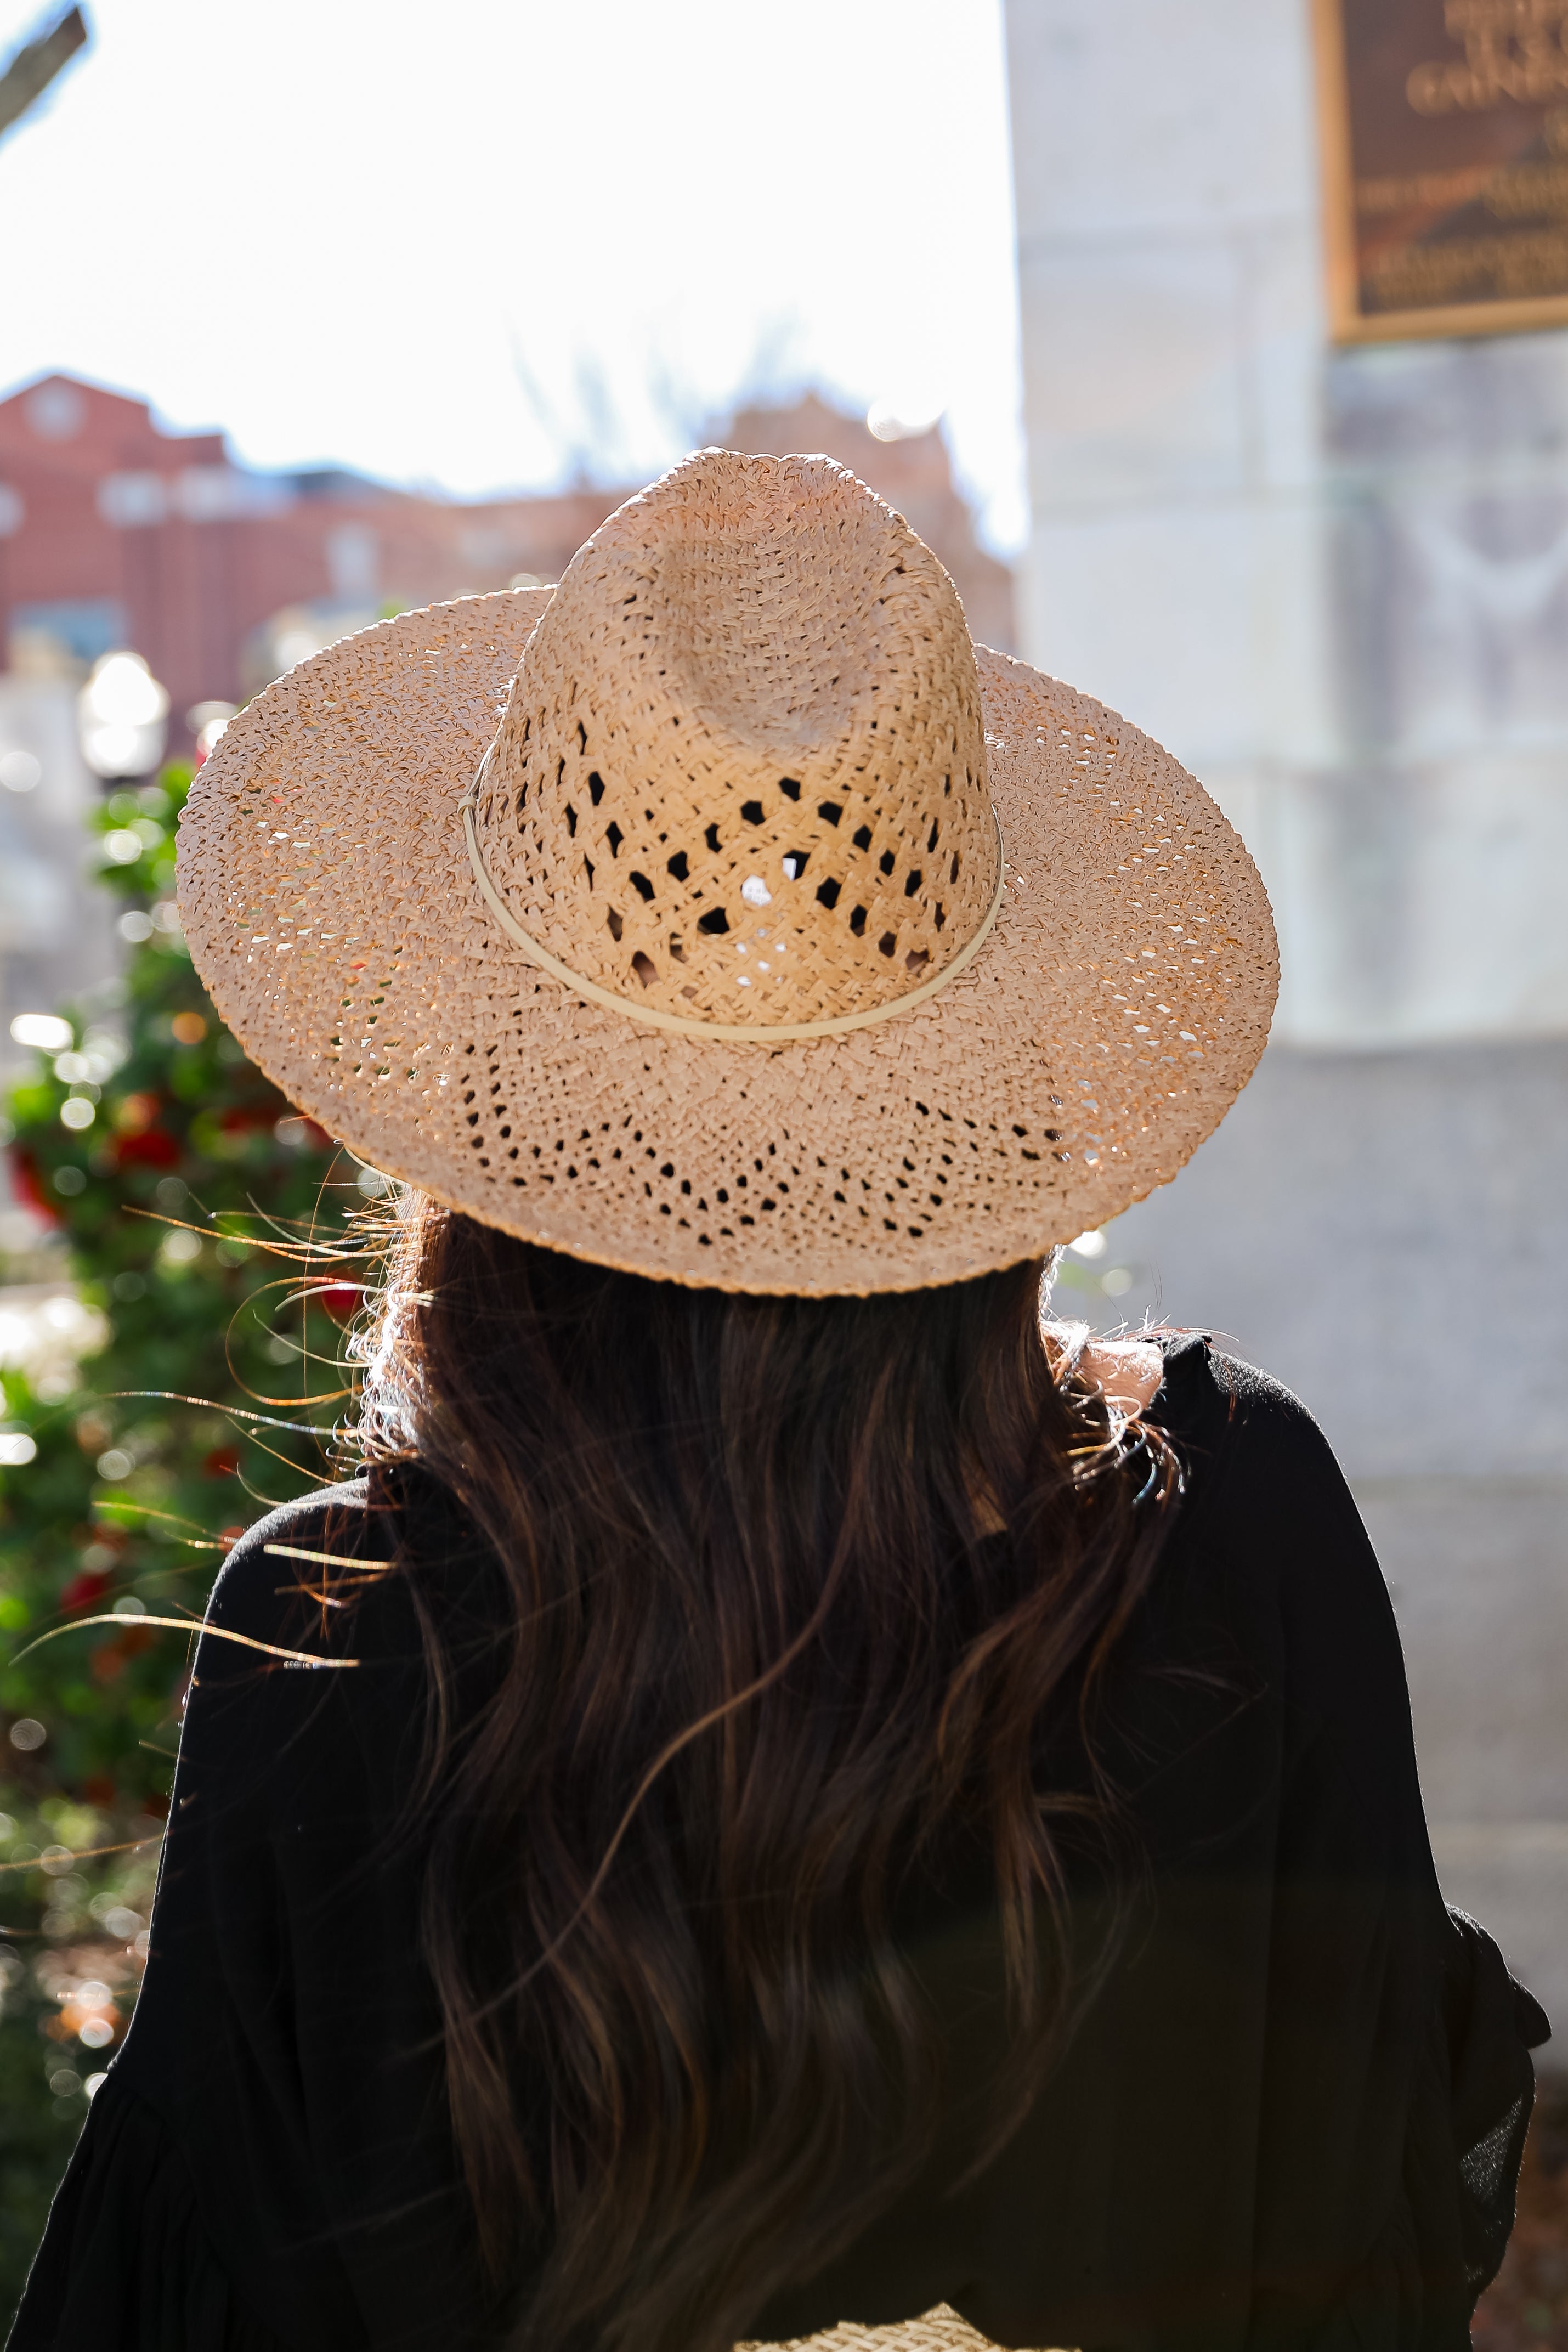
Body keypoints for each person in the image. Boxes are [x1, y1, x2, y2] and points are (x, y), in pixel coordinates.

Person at [10, 451, 1546, 2352]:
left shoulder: (331, 1630)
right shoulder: (1227, 1514)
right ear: (992, 1108)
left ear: (480, 1101)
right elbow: (1365, 2207)